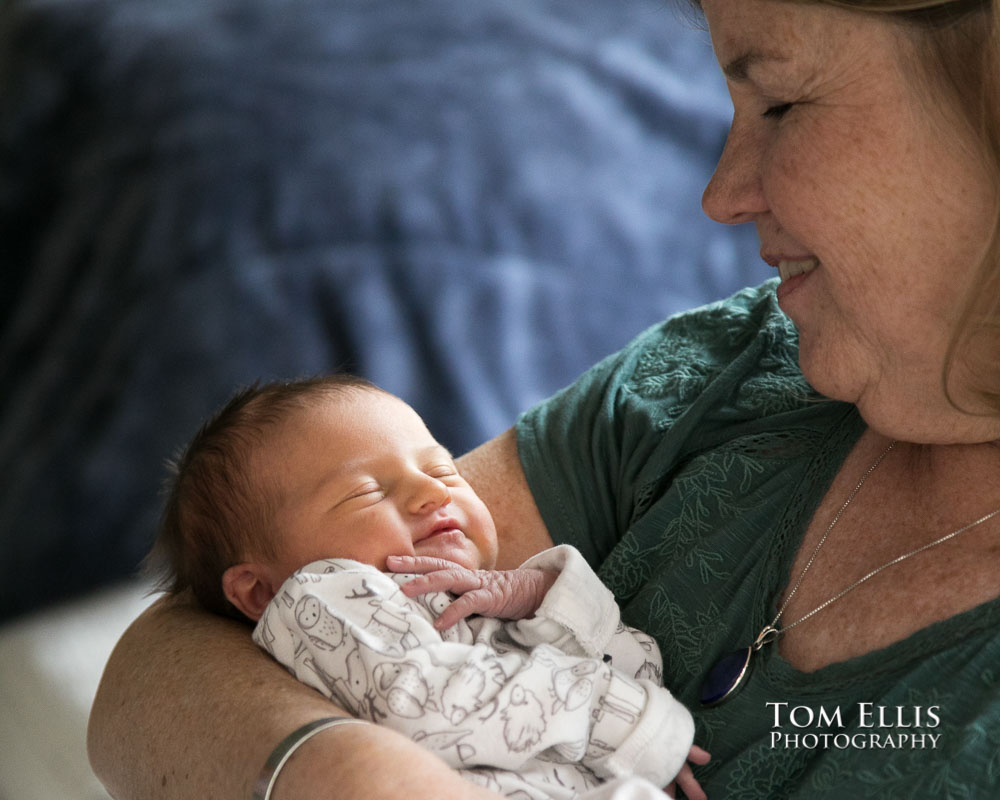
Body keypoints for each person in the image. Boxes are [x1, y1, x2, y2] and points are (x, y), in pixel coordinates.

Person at [88, 0, 1000, 797]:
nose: (721, 195)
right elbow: (154, 671)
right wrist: (352, 776)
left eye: (782, 101)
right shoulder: (712, 379)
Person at [146, 375, 708, 800]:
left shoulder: (468, 604)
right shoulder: (321, 598)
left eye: (442, 471)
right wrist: (618, 717)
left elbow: (636, 663)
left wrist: (540, 596)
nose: (432, 493)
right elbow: (422, 699)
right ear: (259, 592)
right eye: (367, 493)